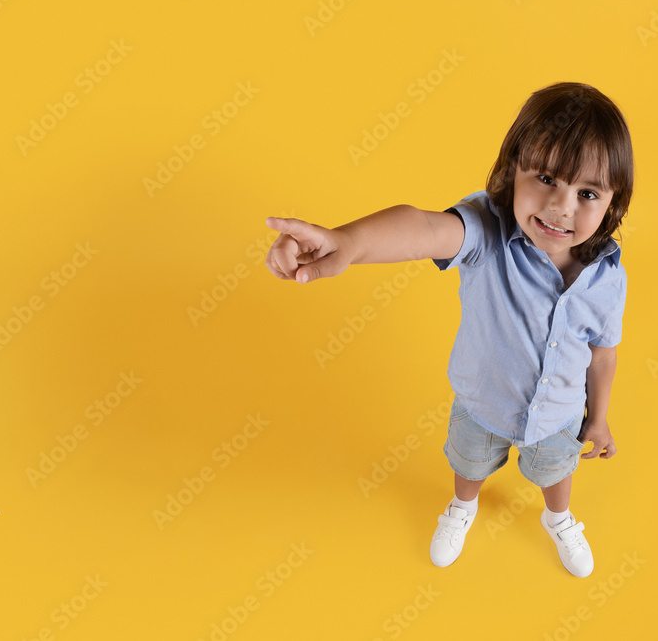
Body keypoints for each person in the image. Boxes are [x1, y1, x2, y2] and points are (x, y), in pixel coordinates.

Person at [264, 82, 633, 577]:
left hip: (559, 416)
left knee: (556, 471)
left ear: (612, 204)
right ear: (513, 170)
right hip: (482, 405)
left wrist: (600, 417)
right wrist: (346, 242)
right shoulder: (487, 231)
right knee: (468, 465)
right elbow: (422, 229)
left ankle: (558, 517)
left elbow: (603, 352)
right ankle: (462, 507)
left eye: (586, 193)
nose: (561, 207)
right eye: (545, 178)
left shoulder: (608, 278)